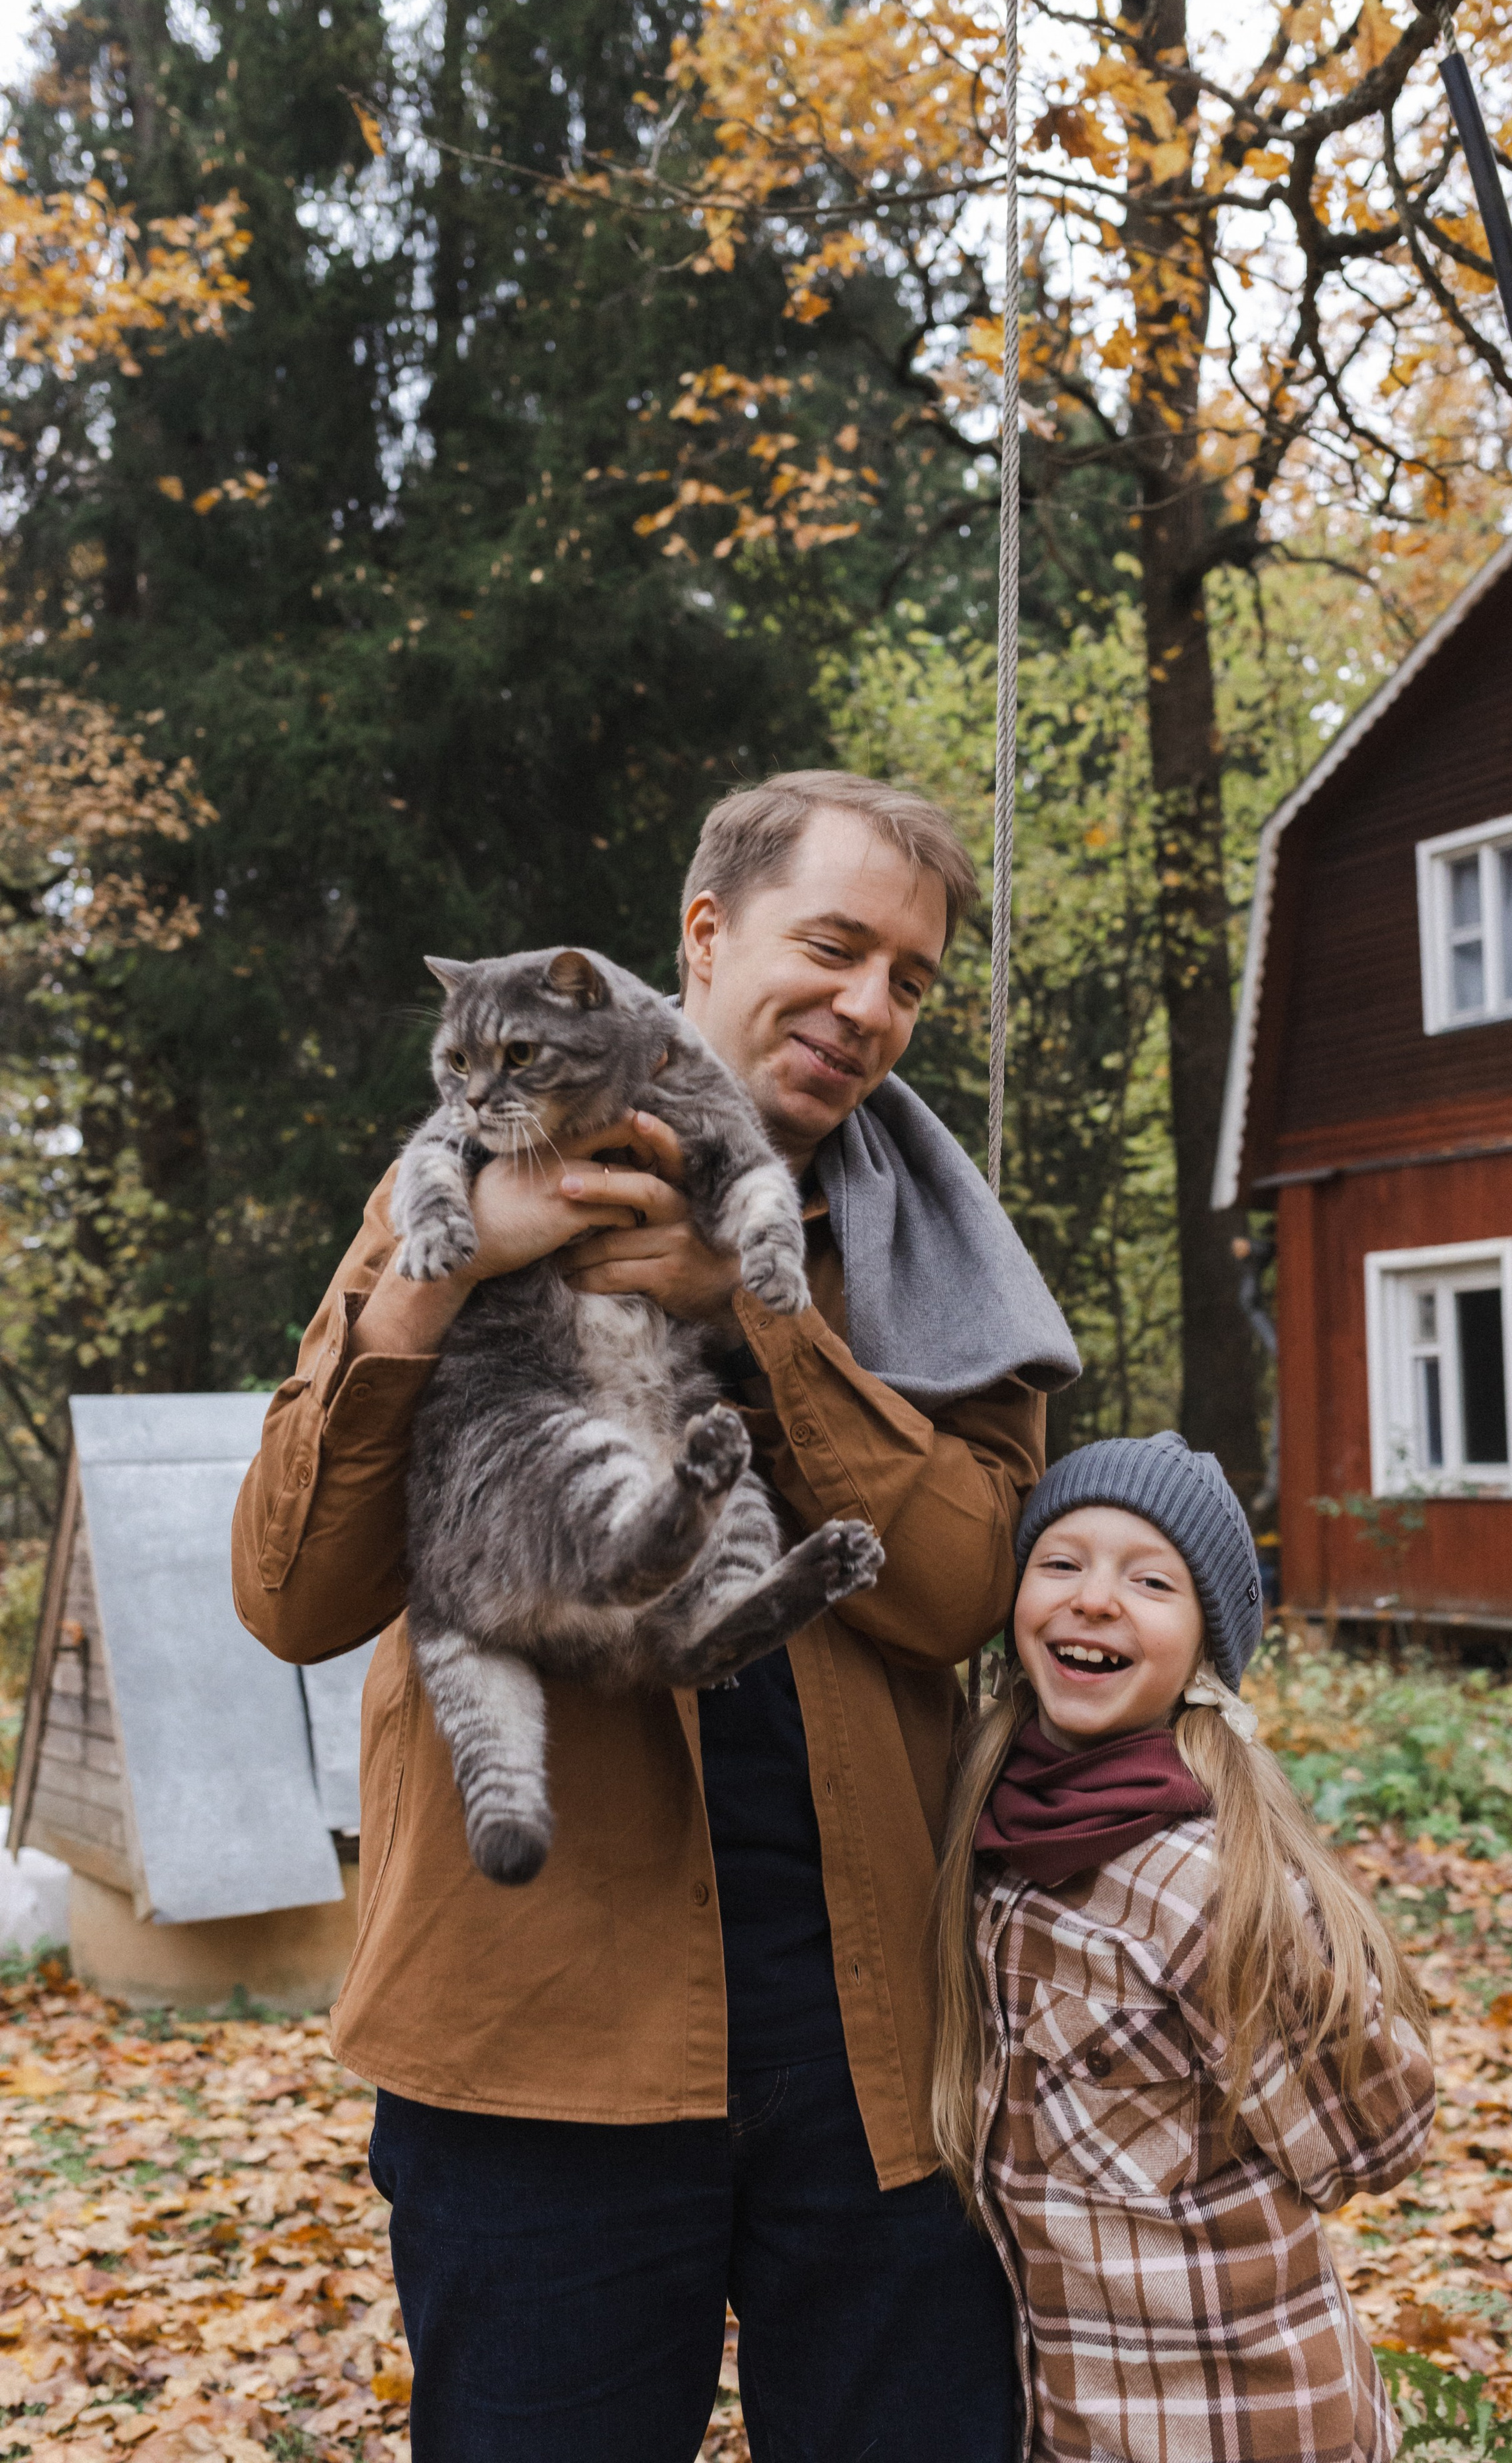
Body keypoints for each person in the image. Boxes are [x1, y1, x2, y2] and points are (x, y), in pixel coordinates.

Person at [231, 769, 1080, 2463]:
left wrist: (755, 1322)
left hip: (876, 2044)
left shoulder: (946, 1267)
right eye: (832, 947)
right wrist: (442, 1271)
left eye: (909, 979)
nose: (868, 1007)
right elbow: (291, 1593)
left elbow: (961, 1590)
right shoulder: (462, 1180)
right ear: (705, 934)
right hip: (539, 2032)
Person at [931, 1436, 1437, 2463]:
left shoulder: (1204, 1884)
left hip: (1245, 2423)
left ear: (1207, 1646)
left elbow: (1379, 2139)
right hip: (1071, 2421)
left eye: (1150, 1581)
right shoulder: (986, 1837)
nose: (1094, 1599)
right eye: (1061, 1562)